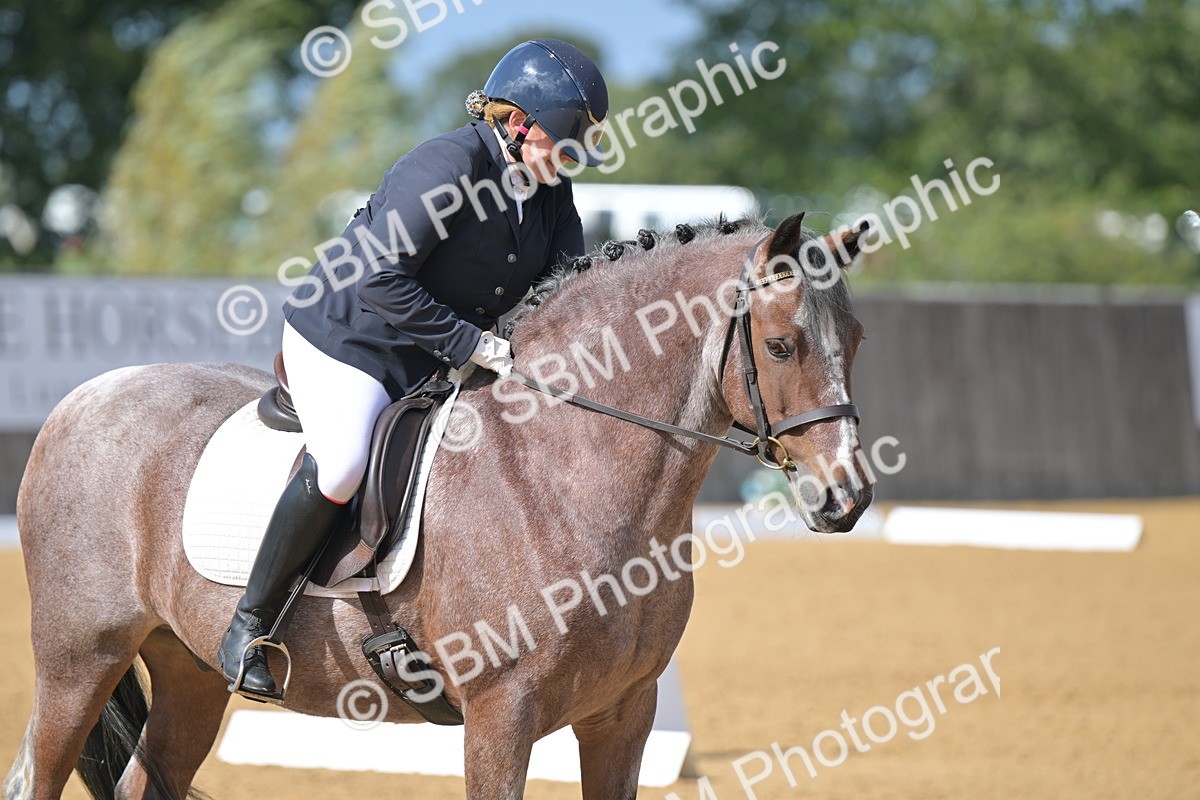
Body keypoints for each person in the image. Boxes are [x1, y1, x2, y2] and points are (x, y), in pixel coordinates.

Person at [217, 38, 609, 698]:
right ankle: (249, 625)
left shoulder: (550, 195)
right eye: (566, 142)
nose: (572, 160)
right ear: (518, 125)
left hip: (431, 351)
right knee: (343, 463)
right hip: (348, 338)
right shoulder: (447, 165)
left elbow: (564, 293)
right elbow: (379, 279)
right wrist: (472, 345)